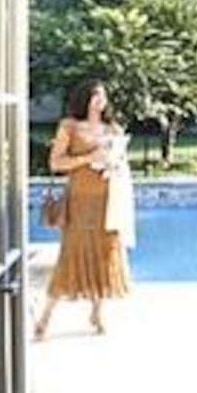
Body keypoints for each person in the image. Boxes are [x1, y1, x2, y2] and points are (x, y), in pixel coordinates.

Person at [34, 79, 135, 339]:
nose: (101, 101)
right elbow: (56, 163)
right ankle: (45, 317)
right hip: (79, 200)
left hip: (108, 200)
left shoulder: (113, 129)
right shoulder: (69, 126)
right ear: (85, 99)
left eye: (103, 96)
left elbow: (122, 165)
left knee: (105, 254)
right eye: (95, 96)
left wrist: (113, 163)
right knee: (71, 255)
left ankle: (97, 313)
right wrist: (88, 158)